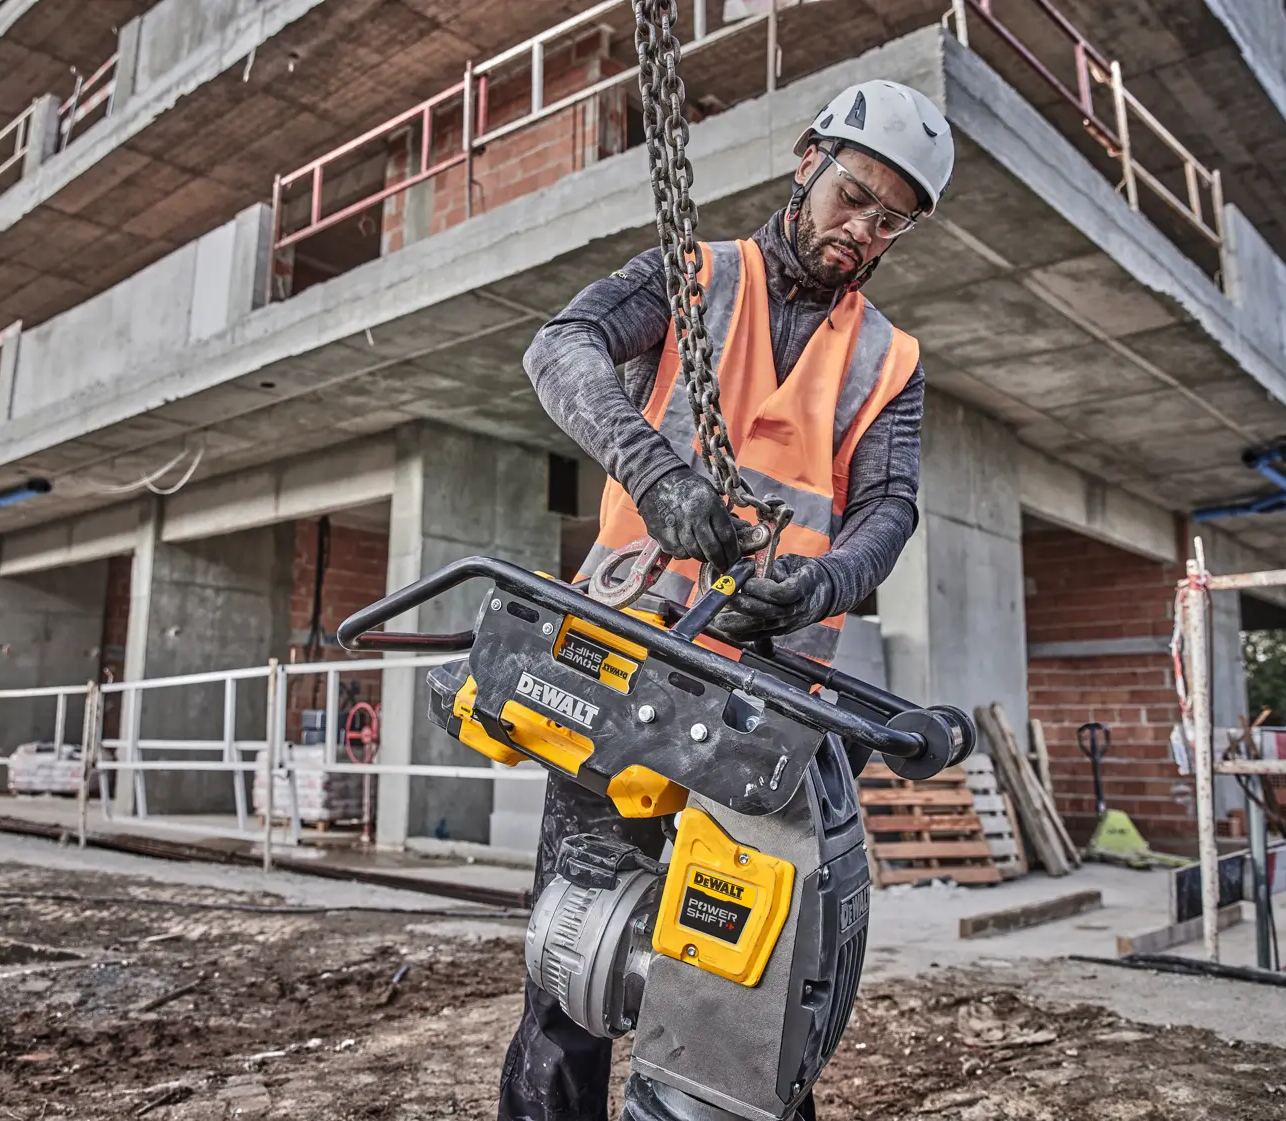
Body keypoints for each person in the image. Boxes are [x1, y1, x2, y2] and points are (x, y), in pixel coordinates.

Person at [498, 79, 955, 1121]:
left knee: (757, 995)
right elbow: (559, 350)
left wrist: (825, 580)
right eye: (853, 196)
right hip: (621, 673)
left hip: (766, 706)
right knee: (576, 964)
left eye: (892, 220)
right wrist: (660, 479)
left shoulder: (888, 359)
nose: (864, 229)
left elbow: (887, 505)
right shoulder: (693, 275)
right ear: (807, 160)